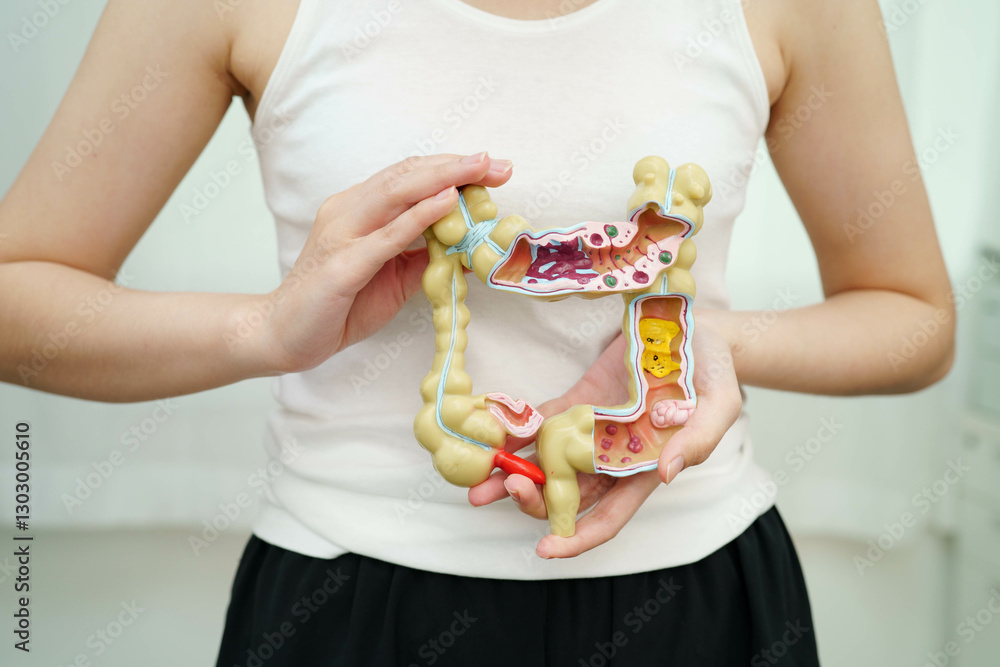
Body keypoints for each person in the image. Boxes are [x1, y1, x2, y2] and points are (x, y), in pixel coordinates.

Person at [0, 0, 954, 664]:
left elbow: (914, 319)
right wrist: (267, 330)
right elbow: (18, 301)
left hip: (700, 599)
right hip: (348, 606)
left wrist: (713, 344)